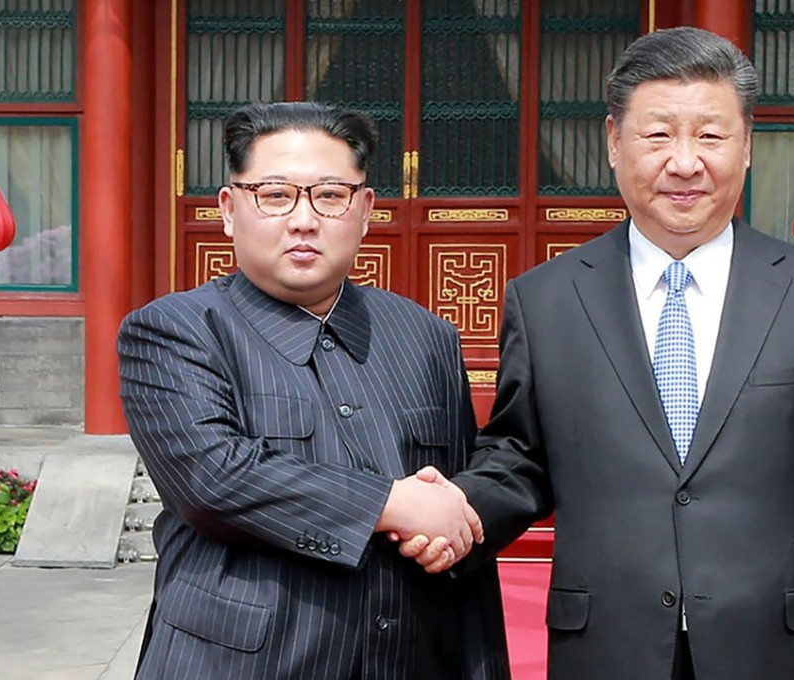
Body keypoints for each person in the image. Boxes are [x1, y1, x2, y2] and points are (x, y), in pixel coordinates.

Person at [402, 26, 794, 680]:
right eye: (658, 135)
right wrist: (456, 513)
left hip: (780, 655)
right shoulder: (547, 301)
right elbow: (520, 460)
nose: (684, 161)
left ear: (748, 146)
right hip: (608, 651)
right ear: (614, 143)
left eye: (710, 135)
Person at [117, 101, 510, 680]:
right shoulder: (174, 330)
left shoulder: (425, 335)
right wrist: (390, 503)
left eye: (330, 195)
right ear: (228, 209)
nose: (303, 220)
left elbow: (449, 510)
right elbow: (214, 478)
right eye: (274, 195)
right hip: (239, 662)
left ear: (366, 208)